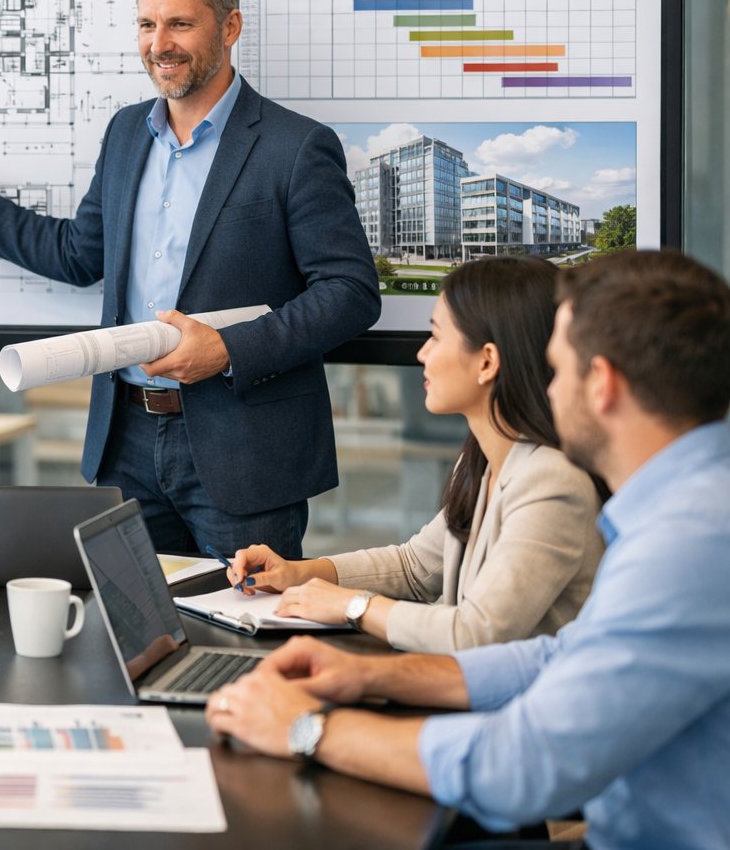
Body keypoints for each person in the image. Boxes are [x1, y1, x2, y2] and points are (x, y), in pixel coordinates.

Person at [205, 250, 730, 850]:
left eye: (558, 369)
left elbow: (525, 764)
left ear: (602, 385)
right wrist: (367, 674)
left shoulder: (687, 546)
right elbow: (556, 657)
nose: (549, 388)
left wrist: (307, 729)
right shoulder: (683, 512)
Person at [0, 0, 378, 559]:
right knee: (134, 617)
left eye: (180, 23)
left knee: (244, 620)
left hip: (244, 451)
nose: (160, 44)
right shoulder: (128, 131)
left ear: (230, 27)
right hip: (125, 442)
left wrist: (228, 350)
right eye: (147, 24)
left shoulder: (295, 146)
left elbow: (350, 293)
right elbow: (79, 254)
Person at [224, 256, 604, 652]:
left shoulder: (553, 482)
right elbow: (415, 567)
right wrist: (296, 573)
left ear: (487, 361)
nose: (422, 354)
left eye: (436, 337)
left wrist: (352, 606)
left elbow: (475, 633)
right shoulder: (482, 460)